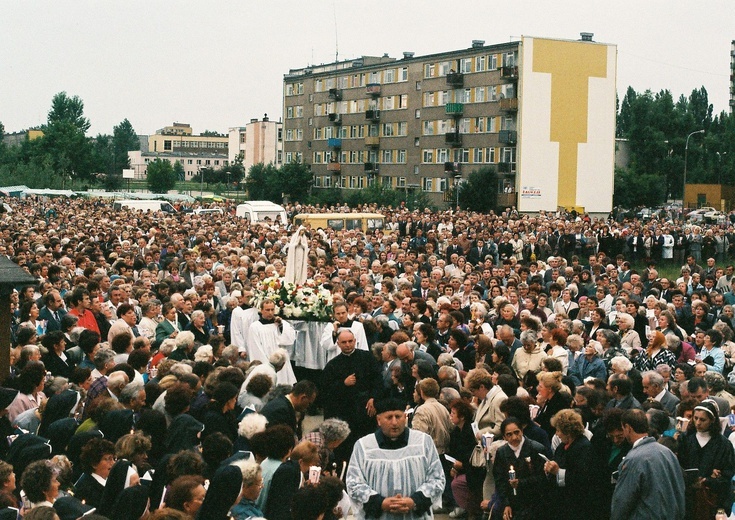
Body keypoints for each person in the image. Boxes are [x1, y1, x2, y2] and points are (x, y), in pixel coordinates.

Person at [346, 397, 445, 520]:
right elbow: (353, 483)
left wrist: (415, 501)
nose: (394, 422)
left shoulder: (423, 442)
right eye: (389, 417)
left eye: (398, 417)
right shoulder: (364, 446)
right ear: (378, 420)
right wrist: (379, 502)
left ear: (405, 417)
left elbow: (437, 478)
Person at [610, 409, 685, 520]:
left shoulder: (633, 459)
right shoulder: (667, 452)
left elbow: (622, 501)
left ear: (628, 428)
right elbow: (680, 488)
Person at [321, 329, 383, 446]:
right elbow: (326, 390)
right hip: (345, 411)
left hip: (366, 408)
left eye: (350, 341)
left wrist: (374, 398)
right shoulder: (333, 365)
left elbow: (378, 380)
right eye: (344, 342)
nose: (348, 345)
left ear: (355, 341)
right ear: (338, 344)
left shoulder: (367, 357)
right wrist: (343, 384)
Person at [677, 399, 735, 519]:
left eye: (702, 419)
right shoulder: (685, 439)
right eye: (695, 418)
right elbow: (679, 466)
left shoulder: (723, 444)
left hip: (712, 500)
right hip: (687, 498)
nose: (698, 422)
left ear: (712, 420)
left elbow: (728, 474)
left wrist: (708, 481)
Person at [492, 417, 551, 520]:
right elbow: (500, 480)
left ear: (522, 431)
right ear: (504, 437)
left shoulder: (536, 449)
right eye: (509, 434)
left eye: (517, 432)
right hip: (512, 501)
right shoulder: (502, 452)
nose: (514, 437)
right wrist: (506, 503)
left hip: (535, 502)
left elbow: (543, 479)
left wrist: (521, 483)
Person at [542, 409, 593, 520]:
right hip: (562, 505)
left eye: (558, 430)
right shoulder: (562, 447)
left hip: (576, 507)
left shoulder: (584, 448)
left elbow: (583, 479)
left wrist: (558, 472)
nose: (557, 434)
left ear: (567, 431)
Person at [247, 300, 297, 385]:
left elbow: (290, 340)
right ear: (261, 310)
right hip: (267, 363)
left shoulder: (280, 323)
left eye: (272, 309)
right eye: (267, 310)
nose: (270, 312)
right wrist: (268, 367)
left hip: (282, 365)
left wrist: (281, 326)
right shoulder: (255, 327)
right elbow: (256, 349)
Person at [73, 438, 115, 508]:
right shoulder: (88, 490)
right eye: (108, 459)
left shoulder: (111, 481)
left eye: (114, 458)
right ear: (94, 463)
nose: (113, 463)